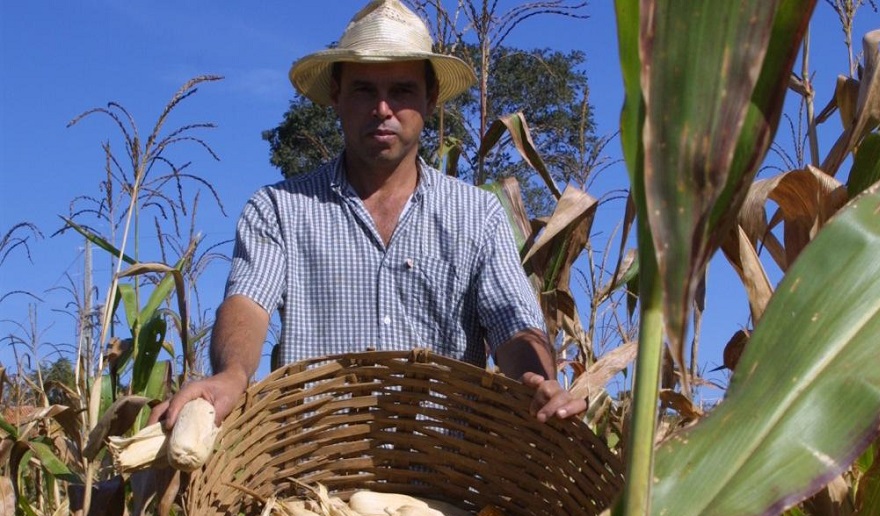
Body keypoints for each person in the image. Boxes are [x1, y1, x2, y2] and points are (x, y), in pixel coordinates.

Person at [150, 0, 586, 432]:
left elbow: (513, 326)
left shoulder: (478, 215)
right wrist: (232, 374)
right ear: (336, 97)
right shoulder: (279, 210)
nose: (382, 109)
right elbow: (248, 301)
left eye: (401, 91)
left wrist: (539, 382)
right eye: (363, 90)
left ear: (430, 99)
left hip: (444, 482)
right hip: (311, 479)